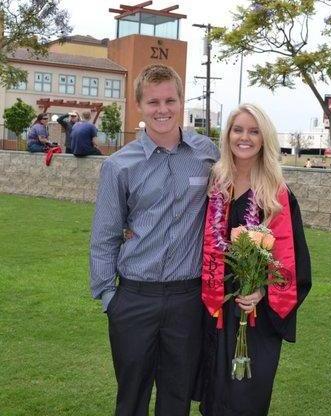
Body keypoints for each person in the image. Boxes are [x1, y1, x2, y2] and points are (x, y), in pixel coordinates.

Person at [90, 64, 219, 416]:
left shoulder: (207, 155)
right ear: (139, 107)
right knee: (131, 397)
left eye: (170, 100)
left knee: (177, 398)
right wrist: (109, 297)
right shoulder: (119, 165)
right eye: (153, 102)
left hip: (187, 299)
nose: (162, 109)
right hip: (134, 298)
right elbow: (104, 236)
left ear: (181, 101)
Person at [199, 103, 312, 416]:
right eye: (238, 130)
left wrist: (261, 291)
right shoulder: (217, 185)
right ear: (228, 136)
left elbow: (293, 262)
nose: (244, 137)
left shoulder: (276, 196)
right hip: (216, 308)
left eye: (253, 131)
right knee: (215, 395)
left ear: (264, 139)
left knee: (247, 399)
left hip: (256, 315)